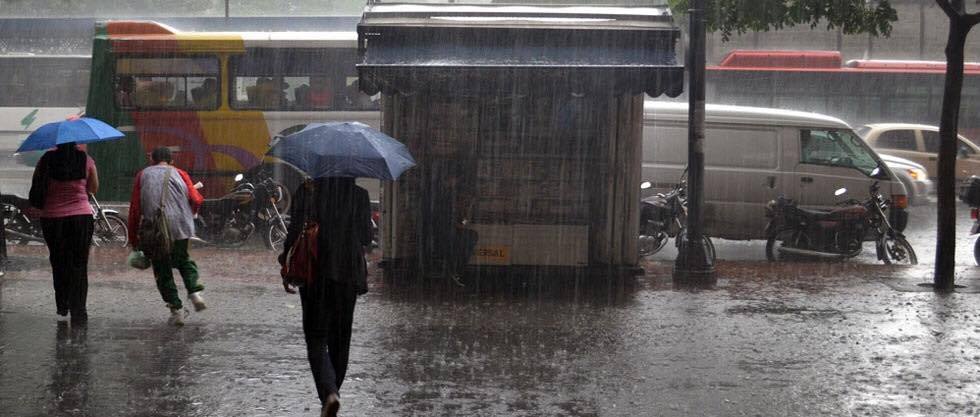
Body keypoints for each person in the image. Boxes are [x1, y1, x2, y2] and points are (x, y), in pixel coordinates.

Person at [279, 177, 372, 417]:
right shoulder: (359, 195)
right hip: (348, 274)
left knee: (316, 338)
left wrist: (285, 263)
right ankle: (332, 396)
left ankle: (329, 393)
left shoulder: (307, 191)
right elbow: (366, 237)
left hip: (314, 271)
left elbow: (294, 231)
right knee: (340, 341)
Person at [128, 147, 206, 326]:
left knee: (162, 268)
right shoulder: (180, 173)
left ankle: (176, 309)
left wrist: (134, 239)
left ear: (152, 160)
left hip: (156, 229)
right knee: (183, 260)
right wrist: (189, 213)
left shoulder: (143, 175)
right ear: (171, 160)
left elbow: (135, 208)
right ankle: (194, 292)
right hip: (181, 226)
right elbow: (196, 199)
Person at [31, 142, 98, 324]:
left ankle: (62, 304)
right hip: (81, 218)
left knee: (59, 260)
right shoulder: (87, 160)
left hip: (53, 219)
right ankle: (79, 310)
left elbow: (37, 185)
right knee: (79, 264)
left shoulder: (46, 160)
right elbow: (93, 188)